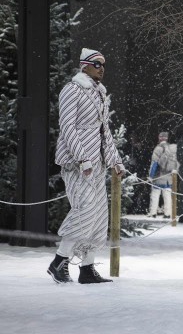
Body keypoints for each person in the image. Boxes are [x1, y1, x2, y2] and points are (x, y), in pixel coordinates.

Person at [47, 48, 125, 284]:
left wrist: (115, 160)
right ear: (85, 65)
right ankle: (59, 262)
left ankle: (87, 267)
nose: (102, 68)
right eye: (98, 64)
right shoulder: (72, 90)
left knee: (99, 216)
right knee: (85, 210)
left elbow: (104, 132)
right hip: (77, 163)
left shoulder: (99, 93)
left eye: (104, 64)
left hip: (97, 163)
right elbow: (68, 127)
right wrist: (82, 158)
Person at [147, 132, 176, 218]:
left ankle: (153, 212)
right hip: (168, 175)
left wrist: (151, 176)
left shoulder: (158, 148)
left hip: (158, 175)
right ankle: (167, 213)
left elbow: (154, 163)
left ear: (160, 138)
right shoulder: (171, 148)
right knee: (167, 195)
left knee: (155, 195)